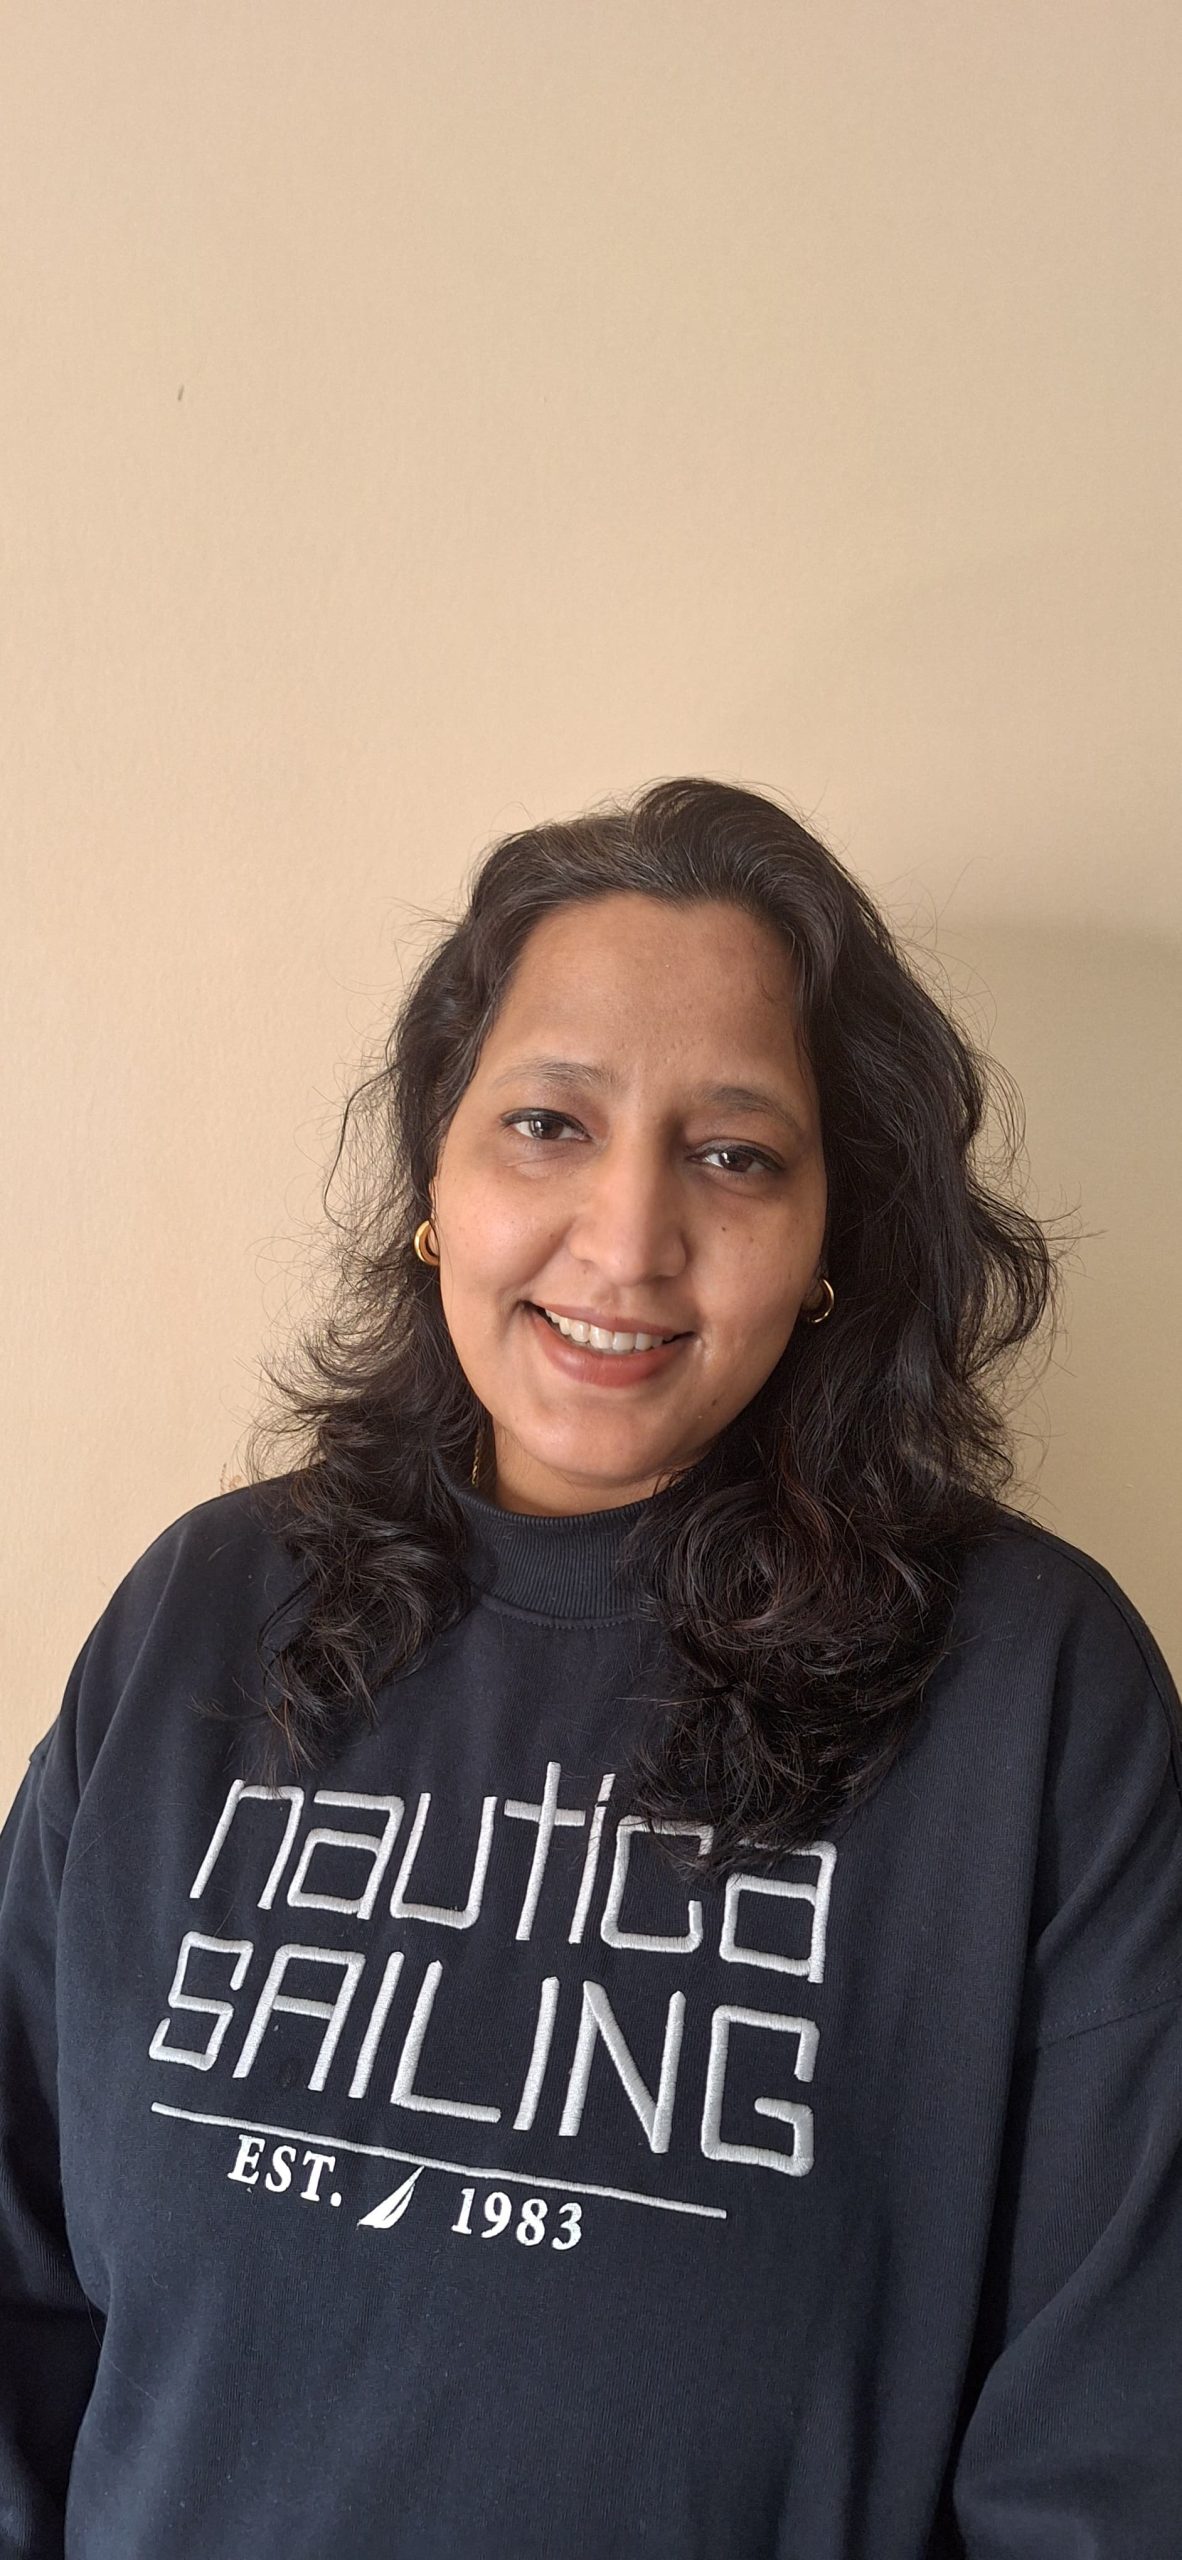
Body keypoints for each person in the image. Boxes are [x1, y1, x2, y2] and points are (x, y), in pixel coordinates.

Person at [1, 776, 1179, 2559]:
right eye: (548, 1123)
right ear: (436, 1174)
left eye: (734, 1153)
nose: (626, 1241)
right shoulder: (204, 1608)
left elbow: (1108, 2459)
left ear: (833, 1235)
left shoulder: (1034, 1691)